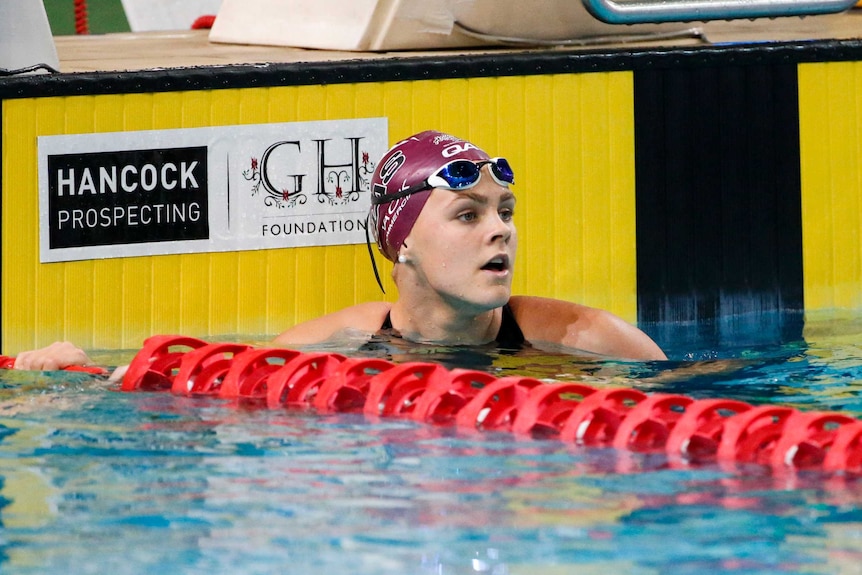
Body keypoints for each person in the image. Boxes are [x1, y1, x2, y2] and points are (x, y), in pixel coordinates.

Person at [13, 130, 666, 371]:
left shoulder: (576, 335)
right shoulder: (348, 339)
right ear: (401, 241)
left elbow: (706, 396)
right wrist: (83, 371)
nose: (500, 230)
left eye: (505, 212)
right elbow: (198, 379)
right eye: (468, 214)